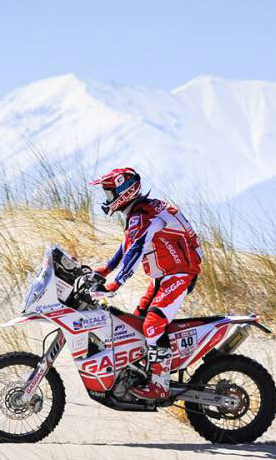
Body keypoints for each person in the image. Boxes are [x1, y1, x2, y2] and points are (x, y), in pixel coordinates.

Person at [86, 167, 203, 400]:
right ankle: (144, 373)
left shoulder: (144, 216)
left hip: (179, 274)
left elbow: (136, 251)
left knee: (152, 325)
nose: (106, 199)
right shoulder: (139, 213)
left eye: (109, 193)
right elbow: (127, 245)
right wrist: (105, 270)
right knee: (136, 324)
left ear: (125, 191)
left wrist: (115, 284)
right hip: (163, 276)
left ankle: (160, 386)